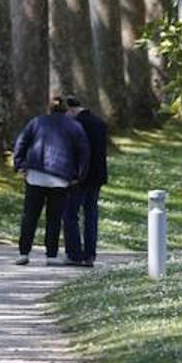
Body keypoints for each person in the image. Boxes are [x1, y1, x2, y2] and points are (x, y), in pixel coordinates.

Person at [11, 96, 89, 266]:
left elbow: (21, 142)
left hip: (36, 174)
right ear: (67, 110)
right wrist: (78, 175)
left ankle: (24, 252)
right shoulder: (75, 126)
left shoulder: (37, 122)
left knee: (30, 216)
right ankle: (51, 254)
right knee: (54, 217)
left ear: (49, 109)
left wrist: (19, 164)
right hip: (60, 178)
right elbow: (83, 153)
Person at [62, 96, 108, 266]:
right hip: (96, 176)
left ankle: (74, 253)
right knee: (91, 214)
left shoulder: (74, 125)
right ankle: (90, 254)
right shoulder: (99, 123)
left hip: (78, 177)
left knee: (70, 214)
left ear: (70, 110)